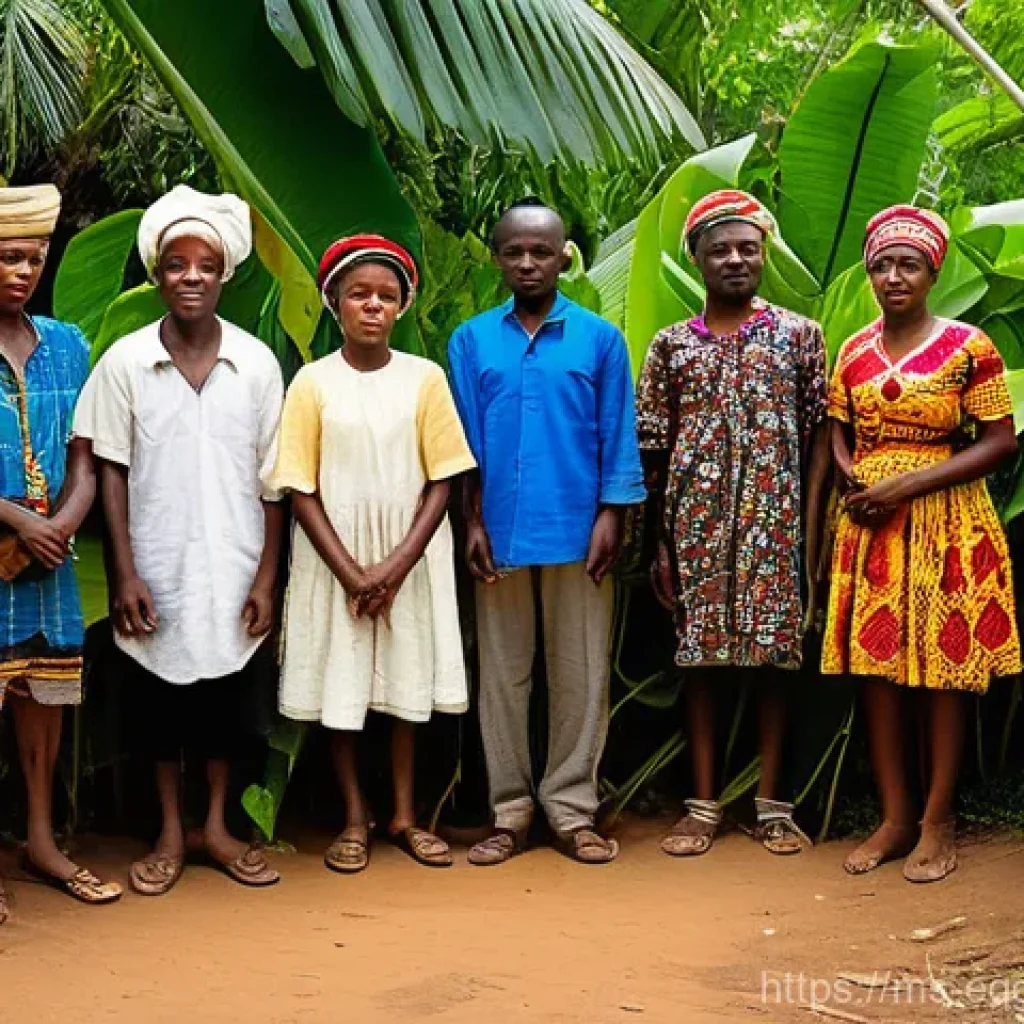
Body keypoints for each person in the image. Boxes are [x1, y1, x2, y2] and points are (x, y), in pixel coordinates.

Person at [73, 184, 284, 894]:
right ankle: (168, 830)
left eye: (205, 264)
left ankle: (217, 827)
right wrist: (126, 573)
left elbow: (274, 482)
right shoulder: (126, 364)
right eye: (175, 264)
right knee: (158, 709)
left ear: (226, 274)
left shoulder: (256, 364)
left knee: (228, 706)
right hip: (157, 566)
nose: (190, 276)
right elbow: (108, 470)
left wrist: (266, 578)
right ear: (156, 275)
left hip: (236, 561)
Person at [266, 234, 475, 873]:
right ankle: (354, 817)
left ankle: (405, 815)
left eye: (387, 296)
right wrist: (352, 573)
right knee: (344, 679)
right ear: (334, 302)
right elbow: (296, 484)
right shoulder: (310, 383)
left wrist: (393, 567)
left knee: (405, 682)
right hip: (334, 553)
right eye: (359, 294)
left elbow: (445, 476)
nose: (373, 306)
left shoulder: (425, 379)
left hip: (409, 553)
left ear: (403, 306)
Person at [823, 205, 1020, 883]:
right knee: (877, 672)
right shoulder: (852, 349)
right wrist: (850, 470)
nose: (893, 275)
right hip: (871, 526)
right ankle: (895, 817)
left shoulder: (970, 346)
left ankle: (939, 822)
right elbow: (837, 425)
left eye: (908, 263)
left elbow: (1000, 442)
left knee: (944, 671)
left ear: (932, 271)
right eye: (881, 264)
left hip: (947, 523)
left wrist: (906, 486)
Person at [448, 199, 645, 866]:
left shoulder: (599, 339)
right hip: (497, 529)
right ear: (498, 257)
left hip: (579, 527)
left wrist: (613, 515)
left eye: (541, 251)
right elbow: (463, 445)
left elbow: (618, 432)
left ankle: (571, 809)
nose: (528, 263)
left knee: (580, 673)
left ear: (566, 256)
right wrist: (469, 523)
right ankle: (509, 812)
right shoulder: (471, 340)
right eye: (514, 251)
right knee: (503, 676)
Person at [636, 189, 830, 858]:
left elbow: (817, 439)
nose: (736, 259)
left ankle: (773, 806)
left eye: (748, 247)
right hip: (695, 530)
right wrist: (659, 545)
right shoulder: (669, 348)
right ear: (697, 258)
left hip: (774, 529)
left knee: (777, 663)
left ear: (764, 253)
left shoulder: (800, 336)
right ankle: (702, 805)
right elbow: (653, 451)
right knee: (701, 666)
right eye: (720, 248)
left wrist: (808, 534)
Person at [0, 185, 121, 919]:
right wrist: (17, 519)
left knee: (42, 700)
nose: (23, 271)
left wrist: (66, 520)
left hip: (49, 559)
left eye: (34, 258)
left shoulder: (68, 343)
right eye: (9, 256)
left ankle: (41, 840)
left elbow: (88, 446)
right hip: (14, 542)